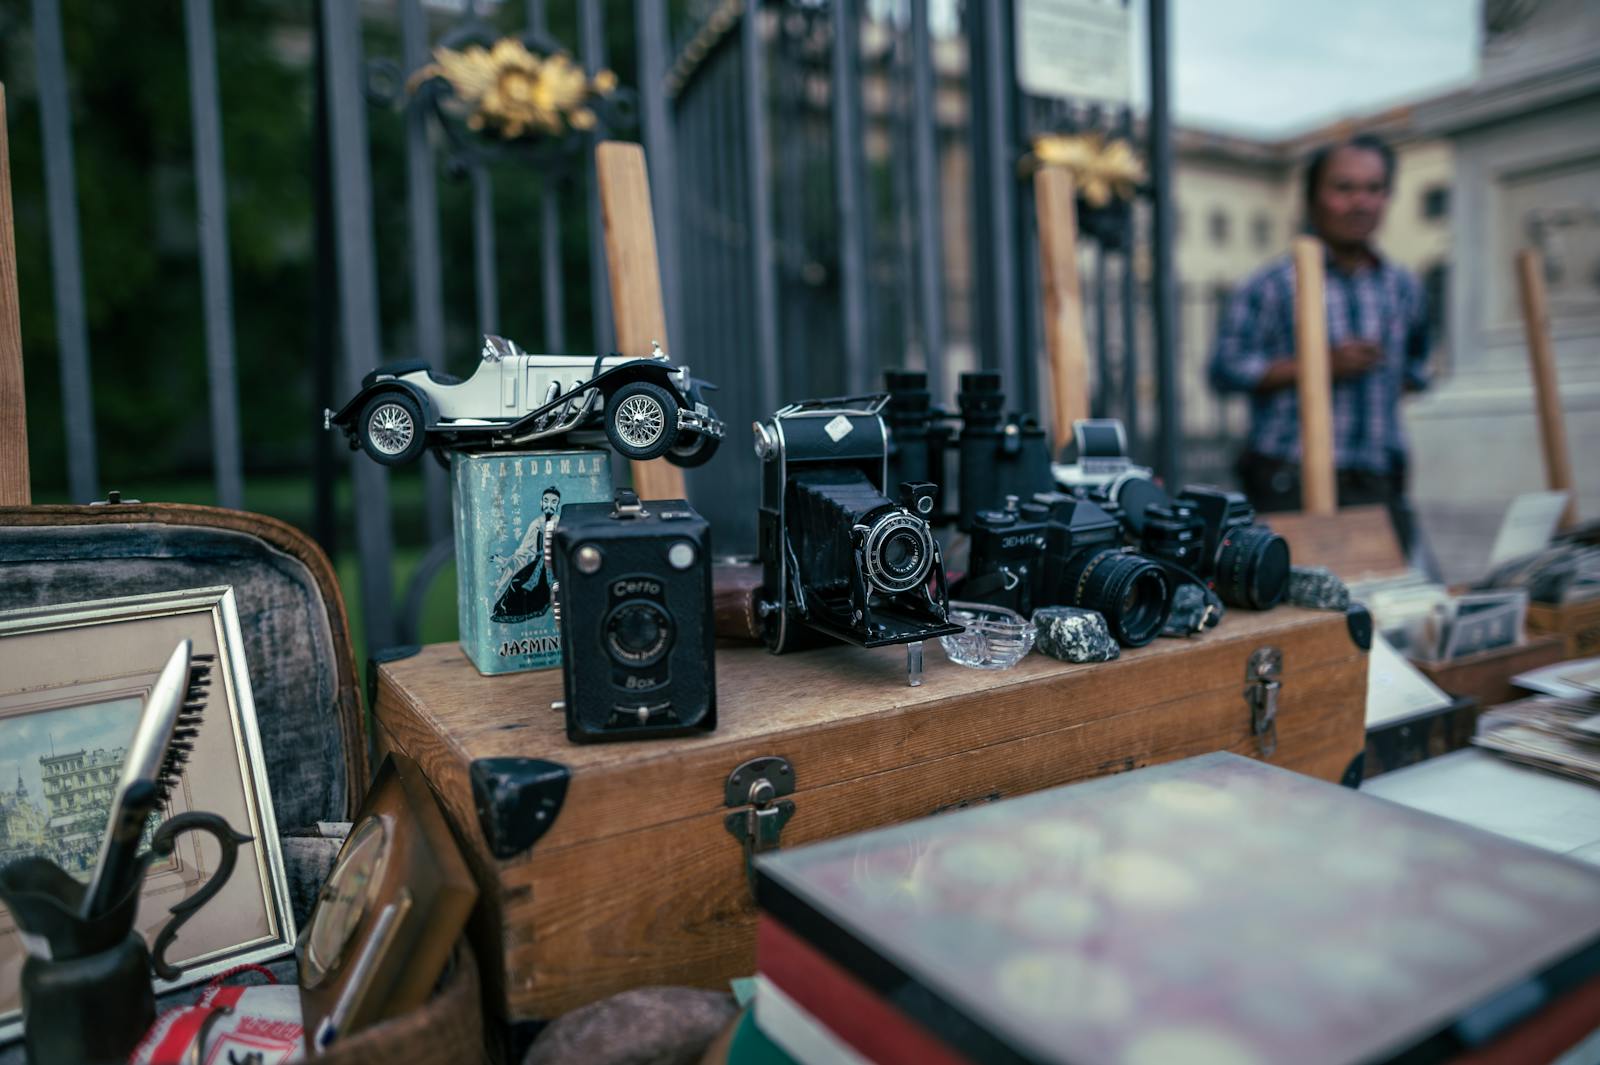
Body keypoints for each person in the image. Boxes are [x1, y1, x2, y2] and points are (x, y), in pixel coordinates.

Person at [1209, 133, 1430, 557]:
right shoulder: (1273, 285)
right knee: (1298, 610)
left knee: (1382, 605)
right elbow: (1225, 368)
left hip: (1376, 478)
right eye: (1344, 188)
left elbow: (1417, 365)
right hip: (1288, 480)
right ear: (1312, 199)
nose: (1360, 202)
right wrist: (1317, 366)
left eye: (1374, 189)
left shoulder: (1403, 286)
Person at [492, 486, 561, 622]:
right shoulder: (536, 524)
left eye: (554, 502)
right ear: (541, 503)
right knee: (516, 583)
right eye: (546, 501)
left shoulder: (561, 522)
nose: (549, 505)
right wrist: (505, 561)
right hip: (539, 564)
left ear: (558, 504)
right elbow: (523, 551)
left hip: (558, 563)